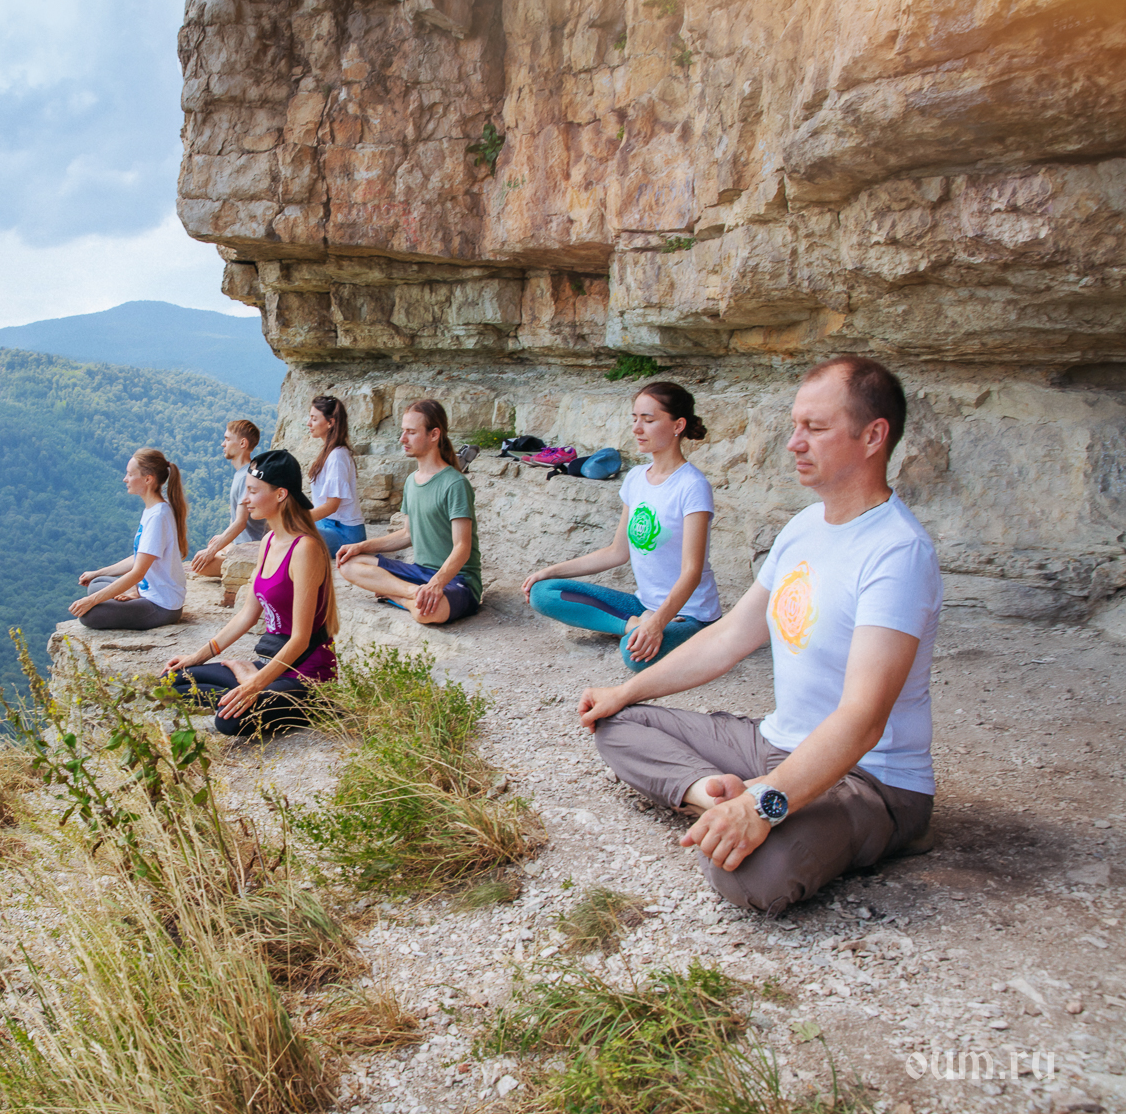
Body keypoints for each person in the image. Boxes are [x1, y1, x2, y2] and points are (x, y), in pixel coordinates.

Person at [578, 355, 941, 915]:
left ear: (873, 436)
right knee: (617, 722)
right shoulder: (803, 527)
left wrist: (762, 803)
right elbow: (729, 637)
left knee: (746, 873)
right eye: (796, 425)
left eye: (815, 428)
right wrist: (625, 691)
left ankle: (760, 805)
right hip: (774, 744)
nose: (794, 442)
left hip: (870, 777)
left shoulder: (898, 552)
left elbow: (863, 719)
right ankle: (718, 796)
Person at [524, 382, 722, 671]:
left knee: (633, 656)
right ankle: (632, 626)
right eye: (635, 419)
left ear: (678, 425)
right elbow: (617, 552)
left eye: (648, 420)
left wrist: (658, 623)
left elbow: (691, 572)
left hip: (691, 615)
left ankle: (649, 631)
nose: (637, 429)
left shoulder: (692, 485)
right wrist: (549, 571)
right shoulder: (636, 478)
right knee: (543, 592)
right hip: (643, 606)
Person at [164, 450, 340, 737]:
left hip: (306, 675)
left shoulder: (305, 549)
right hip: (271, 664)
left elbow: (300, 638)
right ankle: (246, 678)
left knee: (228, 721)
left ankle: (253, 682)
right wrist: (197, 656)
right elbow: (247, 614)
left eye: (253, 491)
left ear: (281, 494)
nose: (245, 499)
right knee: (171, 680)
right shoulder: (268, 541)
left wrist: (254, 684)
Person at [336, 399, 482, 625]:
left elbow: (462, 547)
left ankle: (395, 594)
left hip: (457, 580)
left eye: (411, 432)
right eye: (403, 431)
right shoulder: (411, 481)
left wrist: (436, 584)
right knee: (348, 563)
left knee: (427, 613)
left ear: (434, 434)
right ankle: (413, 593)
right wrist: (361, 546)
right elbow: (407, 534)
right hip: (419, 573)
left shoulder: (455, 484)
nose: (402, 439)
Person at [70, 448, 188, 630]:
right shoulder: (153, 510)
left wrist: (91, 601)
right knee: (96, 583)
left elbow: (138, 572)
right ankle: (135, 591)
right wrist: (98, 573)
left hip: (161, 605)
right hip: (149, 593)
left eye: (130, 474)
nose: (125, 479)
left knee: (89, 615)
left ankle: (135, 592)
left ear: (148, 479)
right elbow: (140, 557)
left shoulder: (157, 517)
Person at [190, 419, 269, 578]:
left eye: (227, 439)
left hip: (252, 548)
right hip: (246, 545)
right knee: (215, 545)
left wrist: (211, 552)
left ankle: (247, 571)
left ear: (242, 443)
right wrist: (220, 541)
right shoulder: (244, 472)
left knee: (199, 566)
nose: (223, 444)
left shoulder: (246, 476)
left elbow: (240, 522)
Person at [305, 395, 368, 557]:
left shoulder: (337, 456)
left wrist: (298, 519)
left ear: (330, 422)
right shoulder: (329, 452)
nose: (308, 423)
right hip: (327, 524)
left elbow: (331, 506)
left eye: (314, 419)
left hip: (345, 534)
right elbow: (320, 501)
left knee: (290, 535)